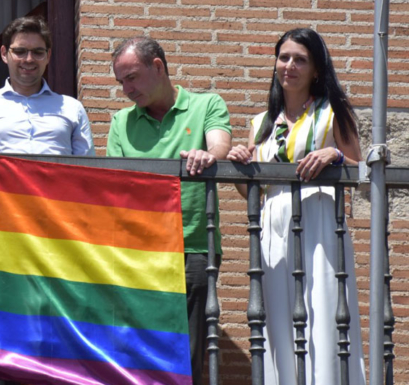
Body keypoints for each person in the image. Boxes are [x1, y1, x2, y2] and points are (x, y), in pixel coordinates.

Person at [226, 28, 364, 385]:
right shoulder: (260, 125)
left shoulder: (333, 113)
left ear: (316, 69)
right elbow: (249, 193)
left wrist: (334, 154)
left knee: (323, 311)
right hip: (274, 224)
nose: (289, 65)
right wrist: (242, 164)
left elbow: (361, 171)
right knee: (278, 319)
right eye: (284, 57)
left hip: (319, 221)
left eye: (300, 59)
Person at [106, 36, 232, 385]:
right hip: (136, 251)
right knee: (135, 348)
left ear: (158, 66)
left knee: (187, 350)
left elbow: (219, 145)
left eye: (131, 77)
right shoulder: (120, 122)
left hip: (192, 244)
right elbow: (115, 186)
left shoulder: (207, 104)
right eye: (121, 82)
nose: (126, 89)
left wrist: (210, 155)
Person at [0, 16, 93, 155]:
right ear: (4, 54)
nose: (29, 59)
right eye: (20, 51)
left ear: (48, 56)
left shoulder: (72, 109)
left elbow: (87, 170)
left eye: (38, 52)